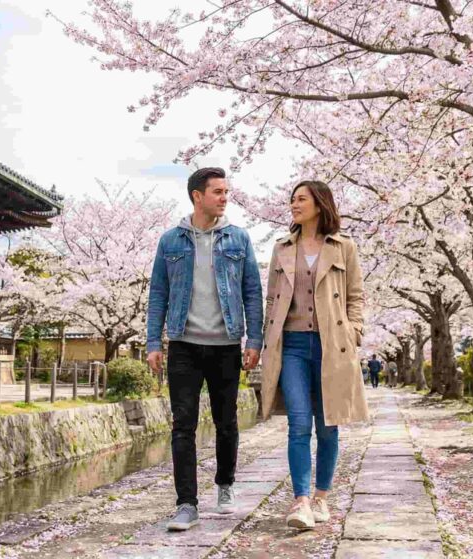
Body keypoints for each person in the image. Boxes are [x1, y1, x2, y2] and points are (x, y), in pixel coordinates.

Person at [146, 167, 263, 531]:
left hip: (226, 344)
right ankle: (186, 504)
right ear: (198, 196)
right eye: (218, 192)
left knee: (226, 423)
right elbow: (158, 293)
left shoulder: (238, 239)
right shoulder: (171, 241)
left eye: (227, 192)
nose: (224, 198)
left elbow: (252, 292)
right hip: (183, 344)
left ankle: (225, 484)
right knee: (183, 425)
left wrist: (254, 340)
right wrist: (154, 342)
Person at [260, 180, 369, 530]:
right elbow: (271, 300)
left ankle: (321, 498)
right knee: (299, 424)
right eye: (292, 198)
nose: (294, 204)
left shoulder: (344, 247)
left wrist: (354, 331)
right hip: (291, 345)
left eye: (301, 199)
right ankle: (301, 501)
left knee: (328, 425)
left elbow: (356, 296)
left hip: (331, 346)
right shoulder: (281, 248)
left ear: (320, 205)